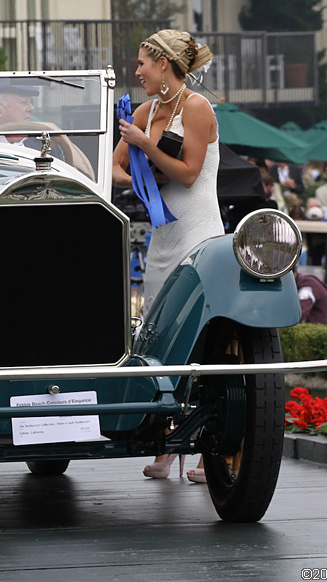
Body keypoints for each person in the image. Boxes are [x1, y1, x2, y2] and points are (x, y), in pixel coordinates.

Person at [111, 28, 215, 485]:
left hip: (198, 230)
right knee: (158, 335)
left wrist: (146, 148)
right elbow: (114, 168)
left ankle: (208, 447)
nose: (137, 72)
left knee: (202, 339)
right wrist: (141, 178)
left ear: (165, 66)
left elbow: (190, 175)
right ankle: (167, 444)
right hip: (162, 235)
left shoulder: (196, 107)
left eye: (142, 64)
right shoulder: (144, 110)